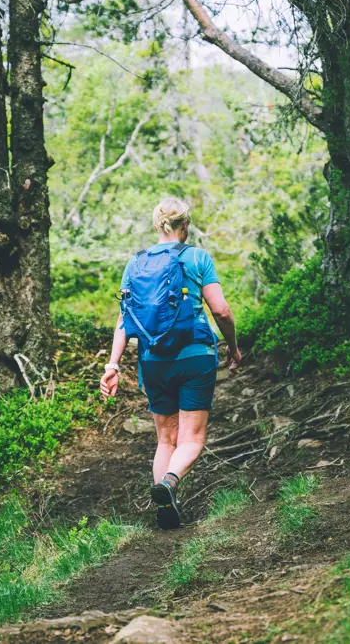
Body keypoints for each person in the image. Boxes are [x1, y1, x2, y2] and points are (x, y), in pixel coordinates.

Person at [100, 198, 241, 530]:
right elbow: (221, 311)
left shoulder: (135, 264)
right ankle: (170, 482)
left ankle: (165, 501)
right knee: (191, 439)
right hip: (195, 356)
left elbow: (124, 318)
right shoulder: (197, 257)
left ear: (155, 225)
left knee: (166, 439)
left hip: (153, 360)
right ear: (185, 225)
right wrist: (233, 348)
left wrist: (112, 365)